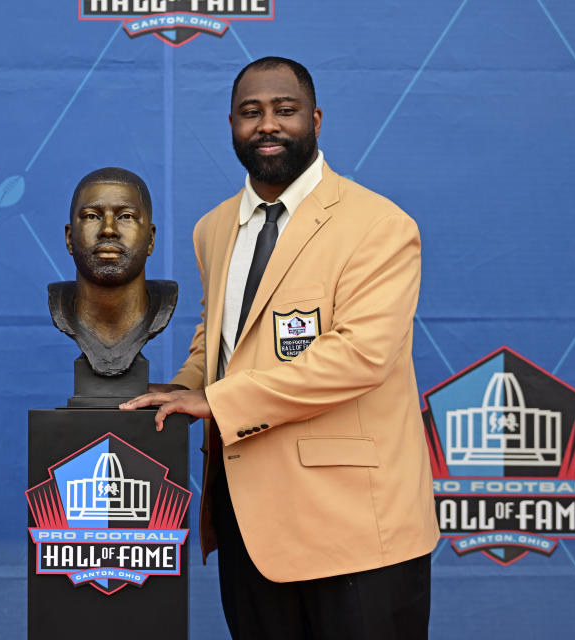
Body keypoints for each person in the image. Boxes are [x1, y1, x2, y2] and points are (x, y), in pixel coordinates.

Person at [121, 57, 438, 639]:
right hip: (247, 523)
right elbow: (219, 341)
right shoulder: (213, 228)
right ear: (232, 125)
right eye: (251, 112)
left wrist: (218, 401)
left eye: (284, 110)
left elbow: (361, 356)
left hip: (355, 531)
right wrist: (181, 388)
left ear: (314, 119)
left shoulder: (379, 225)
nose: (268, 124)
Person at [48, 167, 176, 377]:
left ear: (151, 240)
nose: (108, 229)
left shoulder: (163, 306)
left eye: (126, 216)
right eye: (92, 216)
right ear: (69, 238)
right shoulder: (61, 308)